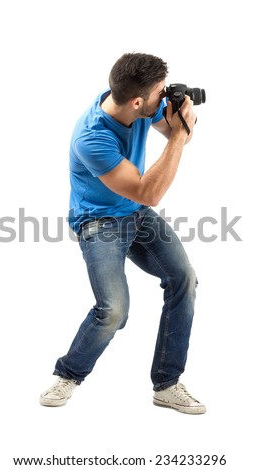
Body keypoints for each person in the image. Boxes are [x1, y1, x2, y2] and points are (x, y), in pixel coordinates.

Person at [40, 52, 206, 414]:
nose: (162, 98)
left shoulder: (133, 102)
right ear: (136, 100)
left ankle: (167, 384)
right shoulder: (92, 138)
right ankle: (68, 373)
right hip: (98, 221)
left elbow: (174, 135)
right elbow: (151, 191)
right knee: (114, 311)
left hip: (136, 213)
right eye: (159, 94)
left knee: (184, 279)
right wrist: (179, 136)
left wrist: (177, 119)